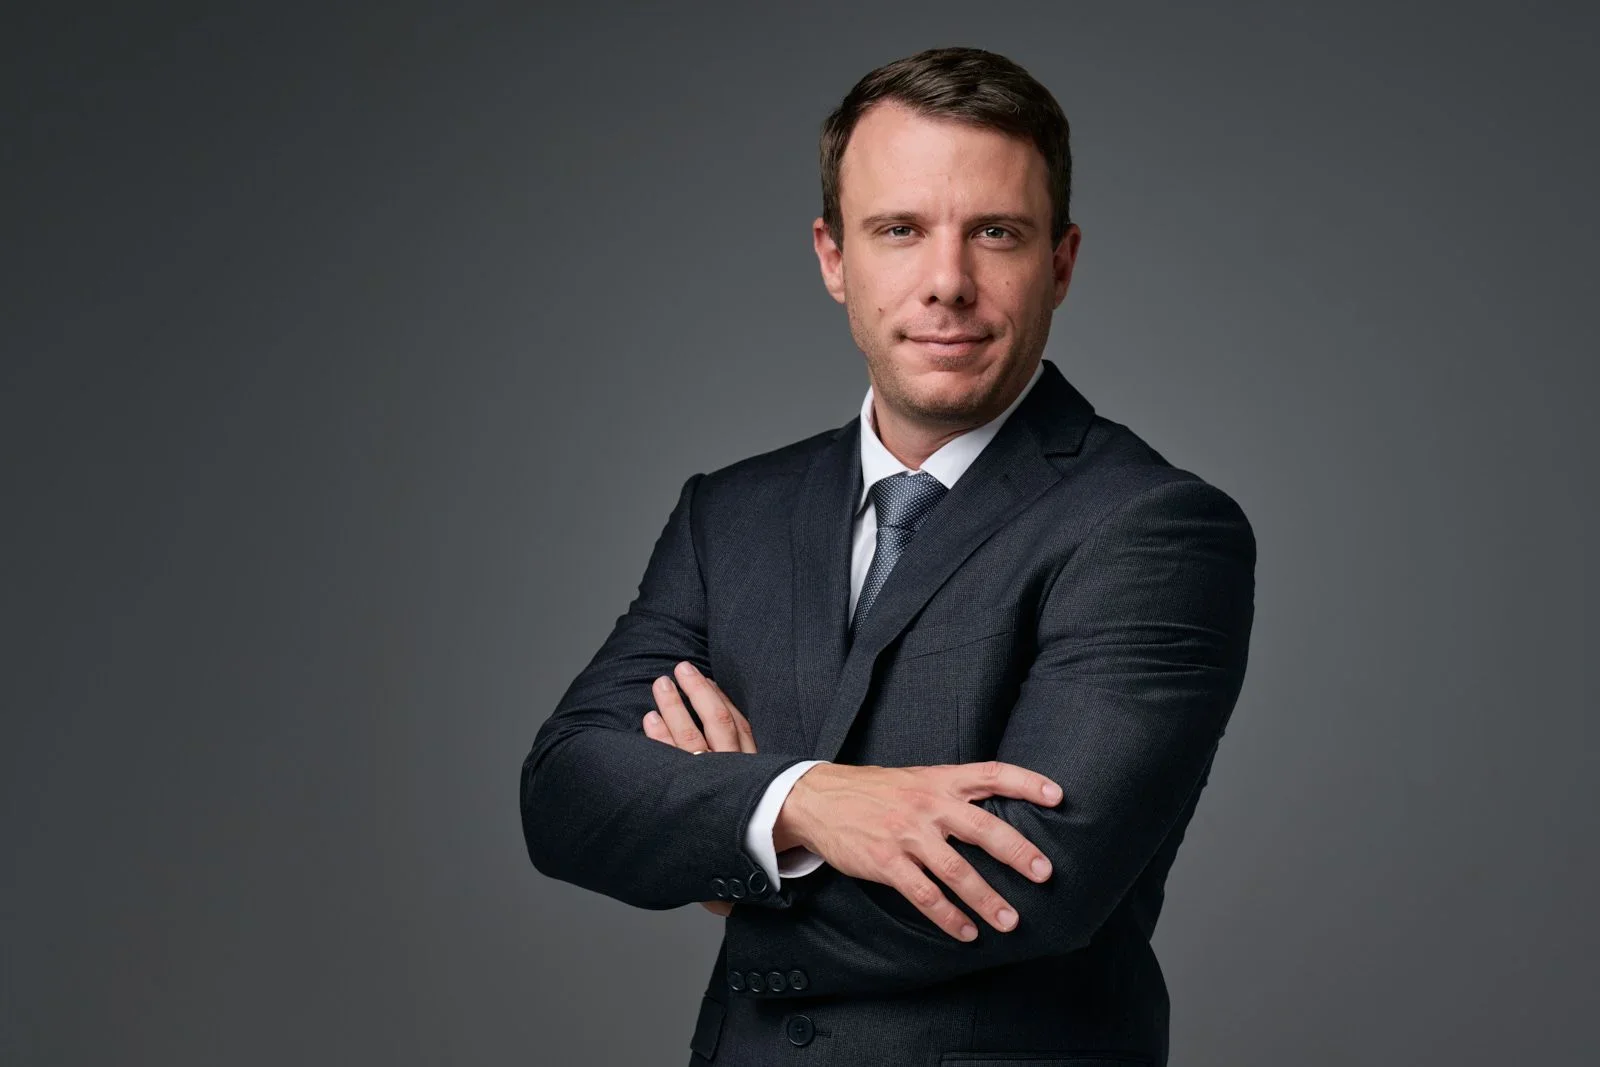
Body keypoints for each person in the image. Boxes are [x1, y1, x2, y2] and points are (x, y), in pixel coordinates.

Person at [519, 45, 1256, 1067]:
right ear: (833, 257)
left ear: (1061, 261)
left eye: (995, 232)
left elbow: (1020, 885)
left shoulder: (1153, 526)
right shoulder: (727, 514)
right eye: (899, 230)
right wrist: (804, 799)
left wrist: (732, 845)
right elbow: (566, 795)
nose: (945, 282)